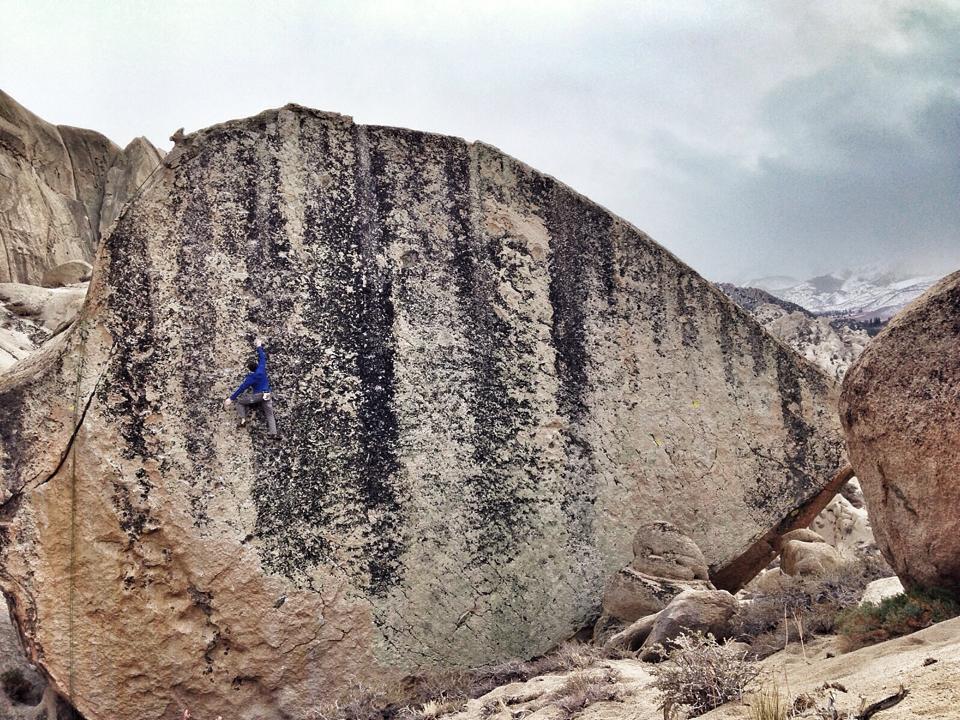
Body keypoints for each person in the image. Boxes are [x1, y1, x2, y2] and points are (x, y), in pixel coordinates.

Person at [224, 338, 277, 436]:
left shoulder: (251, 377)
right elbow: (262, 357)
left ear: (250, 370)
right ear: (257, 365)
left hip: (258, 395)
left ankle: (243, 419)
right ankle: (274, 433)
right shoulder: (261, 368)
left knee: (240, 402)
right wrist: (259, 346)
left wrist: (231, 399)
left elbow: (242, 388)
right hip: (267, 394)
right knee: (270, 414)